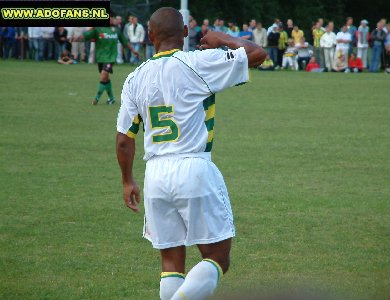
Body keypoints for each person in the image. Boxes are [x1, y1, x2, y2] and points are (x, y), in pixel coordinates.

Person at [116, 7, 266, 300]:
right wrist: (220, 37)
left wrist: (126, 181)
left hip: (156, 175)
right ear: (185, 33)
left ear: (150, 36)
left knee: (171, 263)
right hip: (194, 167)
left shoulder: (134, 78)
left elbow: (124, 140)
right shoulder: (198, 62)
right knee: (218, 257)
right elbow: (257, 54)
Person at [83, 17, 138, 105]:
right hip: (101, 58)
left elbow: (125, 41)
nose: (111, 20)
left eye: (112, 18)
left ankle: (96, 99)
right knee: (106, 78)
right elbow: (86, 35)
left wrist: (133, 50)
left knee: (104, 76)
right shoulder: (98, 29)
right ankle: (111, 99)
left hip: (111, 58)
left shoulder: (116, 30)